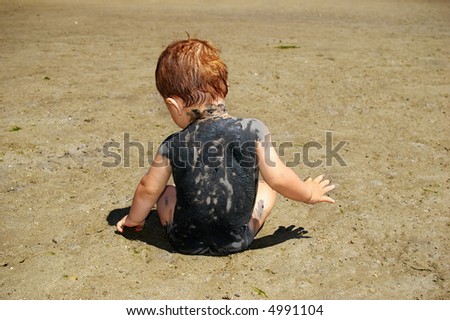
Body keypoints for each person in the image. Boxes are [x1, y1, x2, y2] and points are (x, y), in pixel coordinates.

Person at [116, 38, 335, 255]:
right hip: (236, 240)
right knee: (267, 188)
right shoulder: (252, 129)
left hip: (185, 241)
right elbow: (278, 178)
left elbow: (148, 189)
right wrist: (308, 193)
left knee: (165, 191)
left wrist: (134, 219)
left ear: (174, 104)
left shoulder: (172, 144)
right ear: (223, 87)